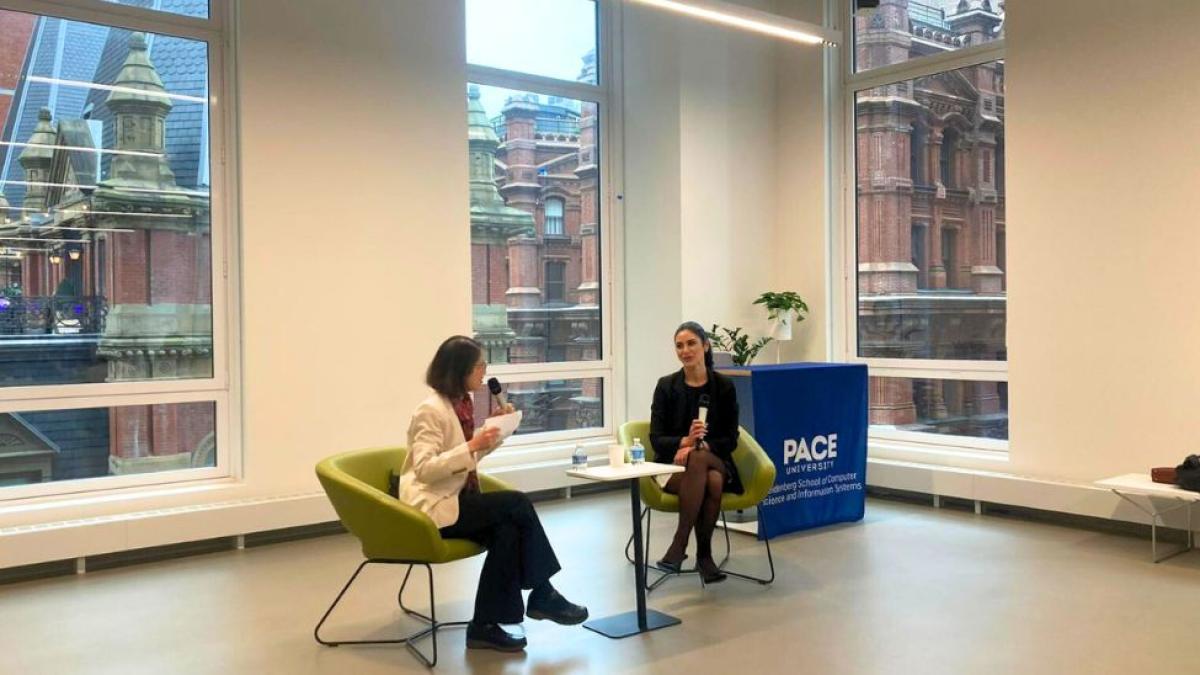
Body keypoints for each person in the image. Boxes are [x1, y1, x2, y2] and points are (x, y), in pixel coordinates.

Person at [398, 335, 587, 652]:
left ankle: (485, 625)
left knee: (508, 530)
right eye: (479, 365)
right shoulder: (430, 411)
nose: (484, 371)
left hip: (459, 499)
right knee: (516, 502)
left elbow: (465, 461)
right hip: (433, 509)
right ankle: (542, 593)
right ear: (460, 370)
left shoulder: (461, 404)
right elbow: (425, 469)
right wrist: (473, 444)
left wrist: (496, 434)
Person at [649, 321, 743, 584]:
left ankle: (679, 545)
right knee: (711, 480)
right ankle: (704, 556)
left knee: (700, 457)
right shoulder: (666, 386)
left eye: (691, 344)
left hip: (715, 458)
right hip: (673, 468)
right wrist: (685, 441)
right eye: (679, 346)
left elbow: (731, 439)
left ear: (705, 345)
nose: (685, 351)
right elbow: (656, 439)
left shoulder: (723, 386)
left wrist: (697, 447)